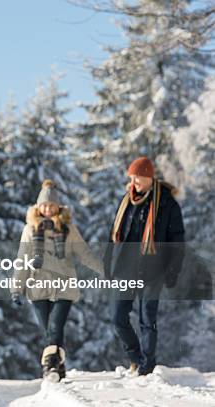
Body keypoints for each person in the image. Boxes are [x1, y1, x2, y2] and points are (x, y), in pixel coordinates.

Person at [11, 180, 103, 382]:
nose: (47, 209)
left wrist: (103, 270)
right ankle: (59, 368)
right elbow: (22, 260)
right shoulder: (30, 230)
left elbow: (84, 253)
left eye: (51, 205)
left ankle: (49, 366)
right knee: (48, 332)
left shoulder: (68, 229)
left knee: (55, 328)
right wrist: (17, 288)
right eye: (43, 205)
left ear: (58, 206)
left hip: (64, 287)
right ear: (38, 206)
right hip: (38, 288)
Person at [105, 157, 185, 376]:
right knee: (117, 317)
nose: (133, 182)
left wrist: (172, 270)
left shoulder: (167, 203)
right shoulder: (126, 202)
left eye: (137, 178)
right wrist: (107, 266)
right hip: (125, 269)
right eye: (131, 178)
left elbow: (177, 240)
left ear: (149, 177)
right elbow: (113, 236)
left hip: (153, 270)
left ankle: (147, 366)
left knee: (147, 319)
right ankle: (135, 357)